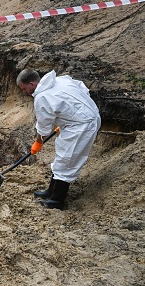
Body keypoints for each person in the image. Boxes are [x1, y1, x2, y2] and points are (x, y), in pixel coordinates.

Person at [16, 69, 101, 210]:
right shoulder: (61, 80)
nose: (24, 92)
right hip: (82, 119)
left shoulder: (42, 97)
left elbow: (43, 127)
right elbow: (83, 89)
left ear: (32, 84)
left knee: (67, 160)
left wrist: (38, 142)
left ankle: (57, 201)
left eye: (23, 88)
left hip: (82, 125)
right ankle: (51, 191)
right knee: (61, 157)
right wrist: (71, 115)